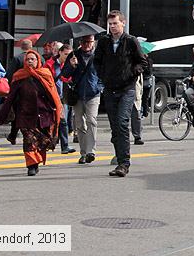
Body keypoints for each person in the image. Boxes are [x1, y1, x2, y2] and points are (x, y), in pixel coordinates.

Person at [94, 11, 148, 178]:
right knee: (115, 127)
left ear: (123, 23)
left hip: (127, 88)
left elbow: (143, 61)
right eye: (110, 24)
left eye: (115, 23)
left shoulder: (130, 41)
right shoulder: (104, 41)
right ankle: (119, 159)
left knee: (122, 122)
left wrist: (133, 72)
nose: (112, 26)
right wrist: (102, 76)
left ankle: (124, 163)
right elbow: (97, 61)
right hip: (110, 89)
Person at [0, 50, 63, 176]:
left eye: (33, 59)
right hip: (25, 114)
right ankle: (31, 166)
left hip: (44, 114)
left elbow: (53, 94)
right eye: (28, 59)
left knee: (44, 141)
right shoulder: (19, 76)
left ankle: (36, 162)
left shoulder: (45, 75)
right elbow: (11, 97)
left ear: (38, 61)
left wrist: (58, 111)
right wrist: (2, 115)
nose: (30, 61)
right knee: (28, 140)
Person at [61, 35, 102, 165]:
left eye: (89, 42)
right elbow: (64, 74)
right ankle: (83, 153)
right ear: (80, 42)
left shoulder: (98, 55)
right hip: (77, 94)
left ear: (93, 42)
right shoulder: (74, 55)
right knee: (79, 124)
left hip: (93, 94)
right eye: (84, 42)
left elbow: (103, 73)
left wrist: (100, 87)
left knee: (91, 121)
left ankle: (91, 151)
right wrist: (71, 66)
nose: (86, 44)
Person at [53, 43, 76, 155]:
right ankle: (53, 142)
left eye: (69, 54)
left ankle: (65, 146)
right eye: (66, 54)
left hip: (64, 97)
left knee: (64, 121)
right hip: (53, 96)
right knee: (56, 121)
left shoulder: (70, 65)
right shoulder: (51, 64)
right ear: (60, 52)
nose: (67, 56)